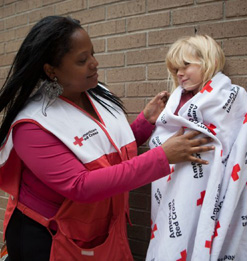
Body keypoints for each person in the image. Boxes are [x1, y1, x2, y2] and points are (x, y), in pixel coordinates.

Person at [0, 17, 214, 261]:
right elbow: (81, 186)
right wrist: (162, 157)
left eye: (92, 53)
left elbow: (104, 150)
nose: (94, 63)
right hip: (50, 240)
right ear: (51, 70)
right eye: (82, 60)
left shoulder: (97, 93)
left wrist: (145, 122)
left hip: (97, 230)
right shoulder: (33, 125)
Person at [146, 34, 247, 261]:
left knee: (199, 233)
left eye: (185, 65)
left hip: (208, 182)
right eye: (175, 69)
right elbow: (161, 137)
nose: (179, 74)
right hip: (173, 187)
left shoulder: (231, 96)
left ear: (208, 62)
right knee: (173, 237)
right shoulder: (175, 101)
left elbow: (233, 139)